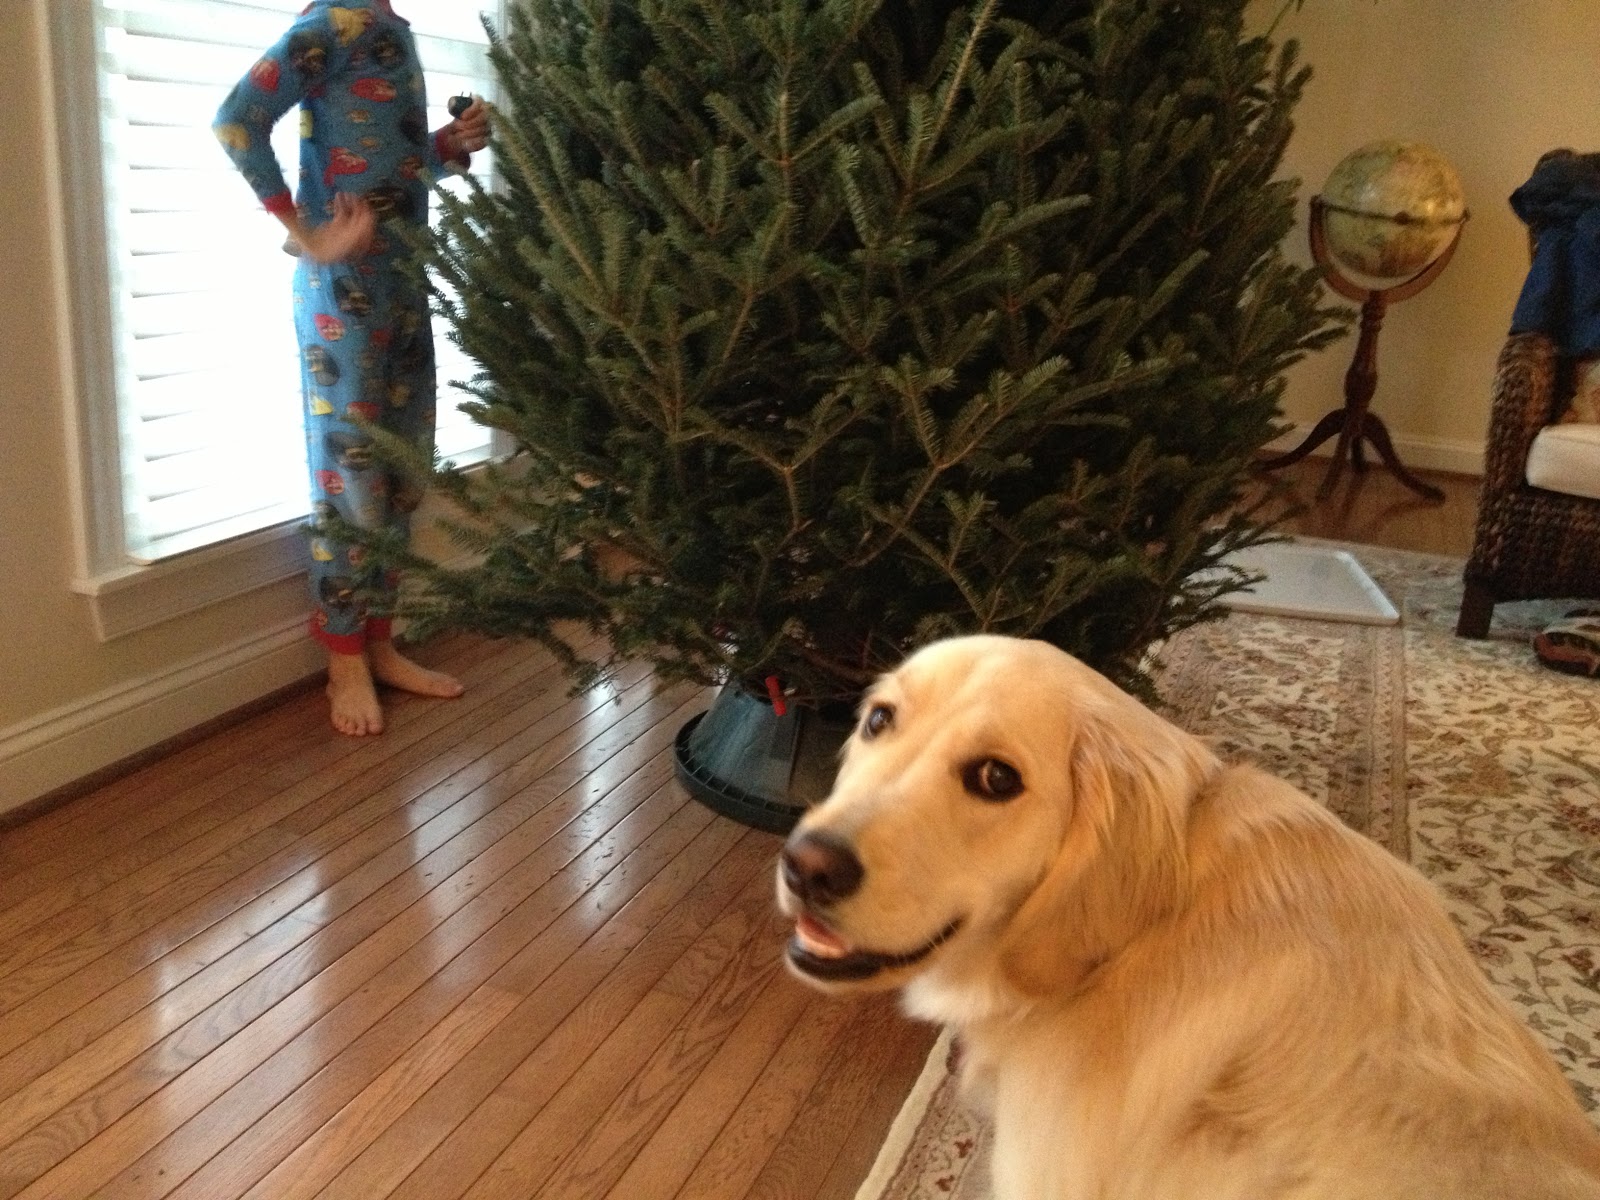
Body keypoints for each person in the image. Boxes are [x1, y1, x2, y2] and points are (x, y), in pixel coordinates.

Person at [214, 0, 490, 735]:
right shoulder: (332, 24)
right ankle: (344, 658)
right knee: (352, 480)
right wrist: (306, 235)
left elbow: (388, 167)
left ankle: (380, 643)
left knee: (402, 470)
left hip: (405, 284)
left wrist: (447, 145)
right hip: (343, 296)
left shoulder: (388, 27)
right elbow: (236, 122)